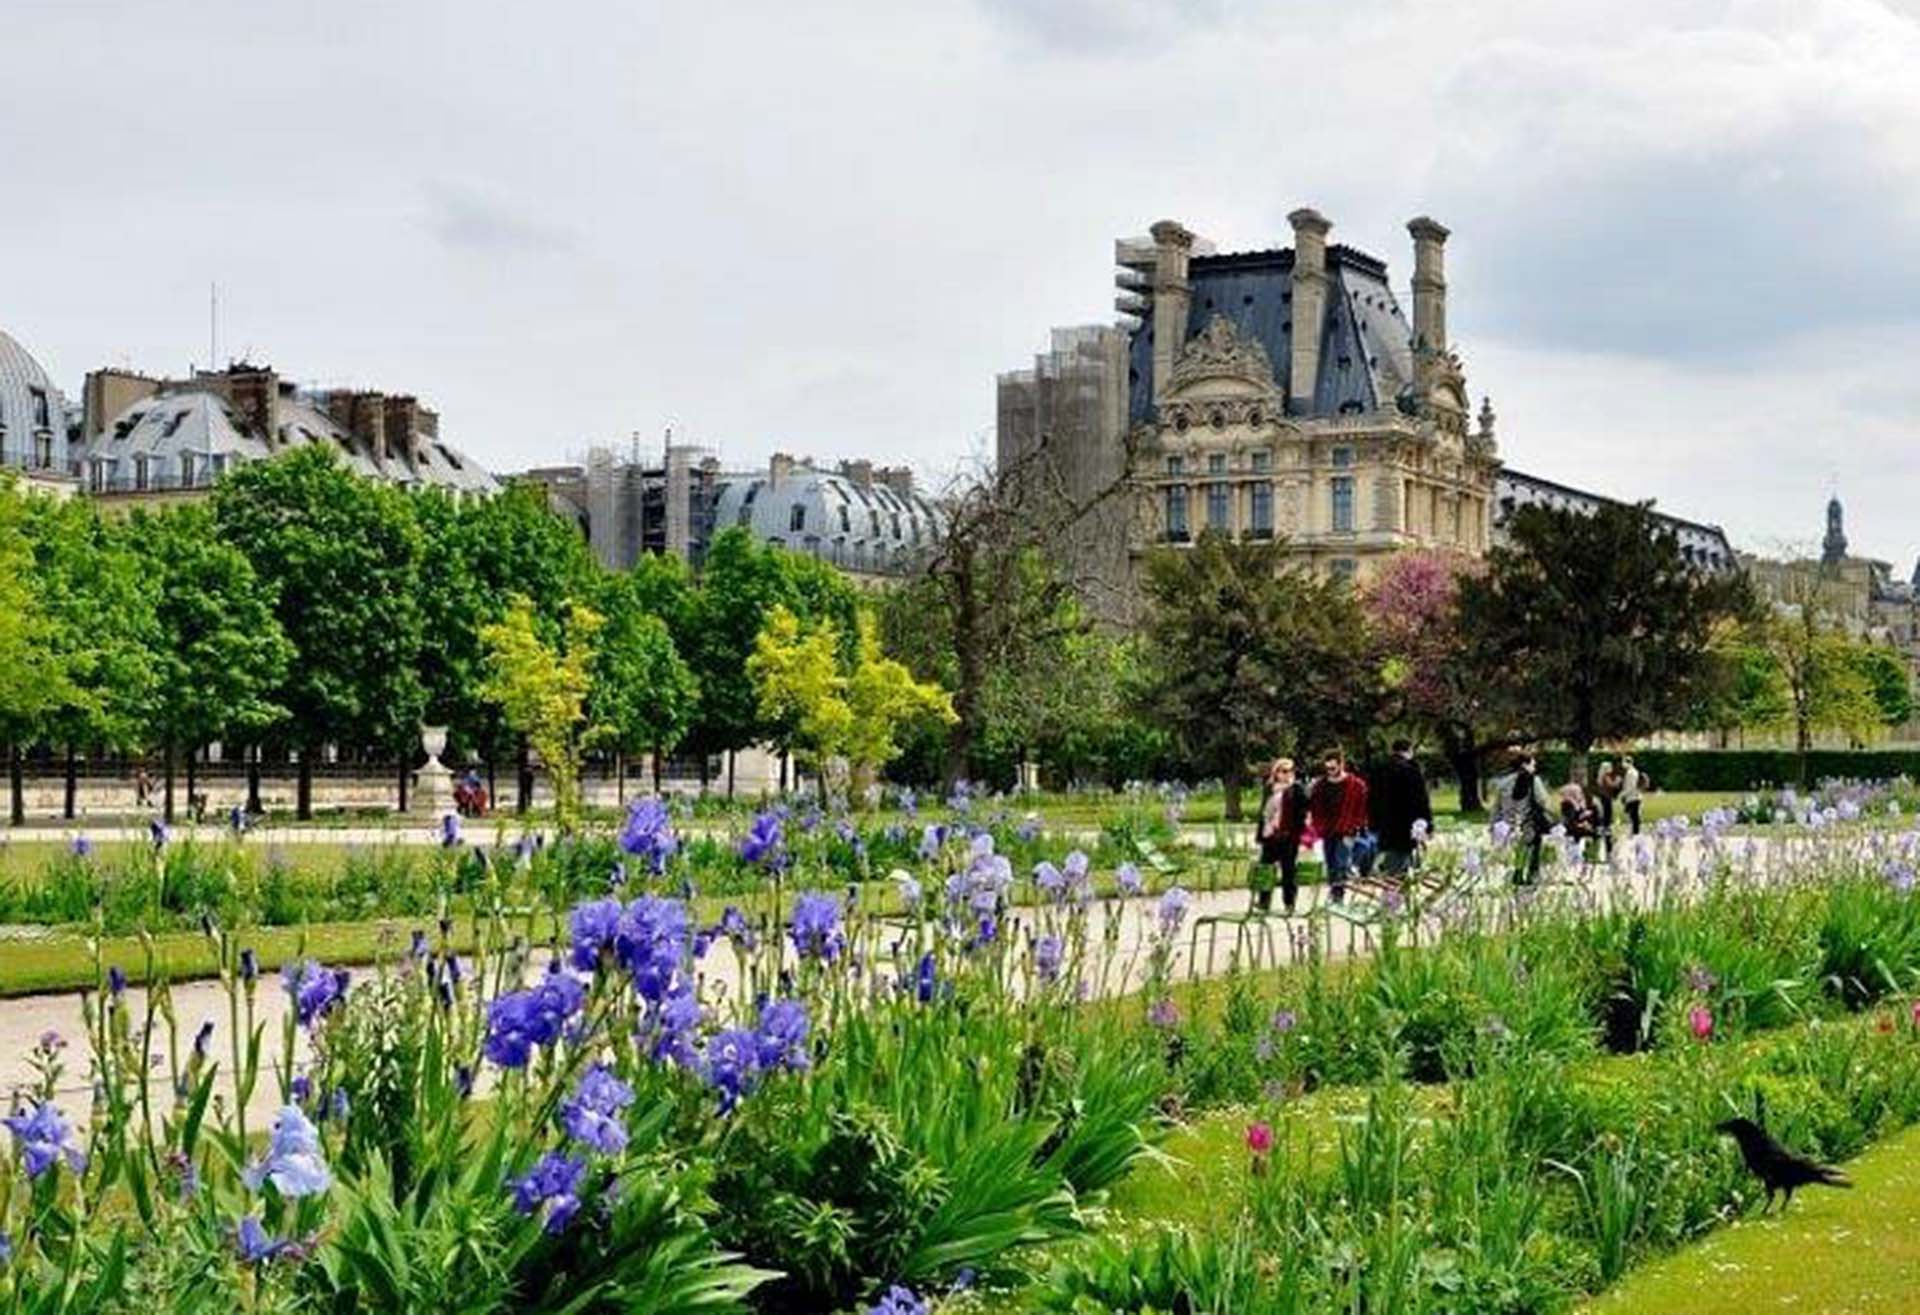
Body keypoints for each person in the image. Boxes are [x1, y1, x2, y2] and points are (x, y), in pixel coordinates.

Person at [1308, 748, 1370, 905]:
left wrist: (1356, 825)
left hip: (1346, 830)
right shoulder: (1320, 786)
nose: (1330, 772)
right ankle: (1334, 889)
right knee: (1330, 863)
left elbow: (1361, 809)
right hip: (1327, 830)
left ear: (1341, 765)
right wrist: (1318, 825)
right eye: (1327, 768)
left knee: (1340, 861)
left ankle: (1338, 894)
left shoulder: (1356, 785)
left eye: (1333, 768)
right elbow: (1315, 808)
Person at [1370, 739, 1433, 879]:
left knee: (1394, 856)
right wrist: (1428, 825)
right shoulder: (1412, 770)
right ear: (1409, 751)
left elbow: (1372, 799)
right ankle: (1398, 892)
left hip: (1385, 824)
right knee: (1403, 862)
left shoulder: (1379, 770)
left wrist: (1373, 823)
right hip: (1407, 825)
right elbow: (1421, 801)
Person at [1256, 757, 1310, 914]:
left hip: (1288, 836)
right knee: (1266, 868)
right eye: (1284, 771)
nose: (1287, 774)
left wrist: (1298, 832)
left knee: (1288, 871)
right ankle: (1263, 901)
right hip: (1271, 835)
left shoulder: (1297, 789)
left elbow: (1304, 810)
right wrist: (1262, 834)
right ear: (1276, 772)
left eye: (1290, 771)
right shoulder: (1270, 788)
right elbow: (1264, 813)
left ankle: (1289, 903)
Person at [1508, 750, 1554, 884]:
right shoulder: (1533, 779)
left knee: (1521, 846)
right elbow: (1542, 800)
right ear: (1525, 764)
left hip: (1516, 816)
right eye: (1533, 764)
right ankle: (1531, 875)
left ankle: (1517, 872)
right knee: (1533, 846)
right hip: (1531, 818)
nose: (1534, 766)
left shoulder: (1509, 780)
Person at [1592, 761, 1620, 860]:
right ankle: (1609, 849)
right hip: (1606, 799)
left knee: (1603, 821)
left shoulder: (1600, 778)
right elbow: (1612, 785)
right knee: (1607, 822)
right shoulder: (1606, 777)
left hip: (1603, 799)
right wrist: (1617, 781)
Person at [1619, 755, 1644, 836]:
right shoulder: (1631, 772)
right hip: (1632, 796)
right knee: (1632, 815)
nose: (1622, 764)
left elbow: (1631, 786)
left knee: (1634, 816)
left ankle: (1635, 832)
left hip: (1633, 797)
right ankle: (1634, 831)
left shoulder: (1631, 773)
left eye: (1624, 762)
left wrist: (1623, 794)